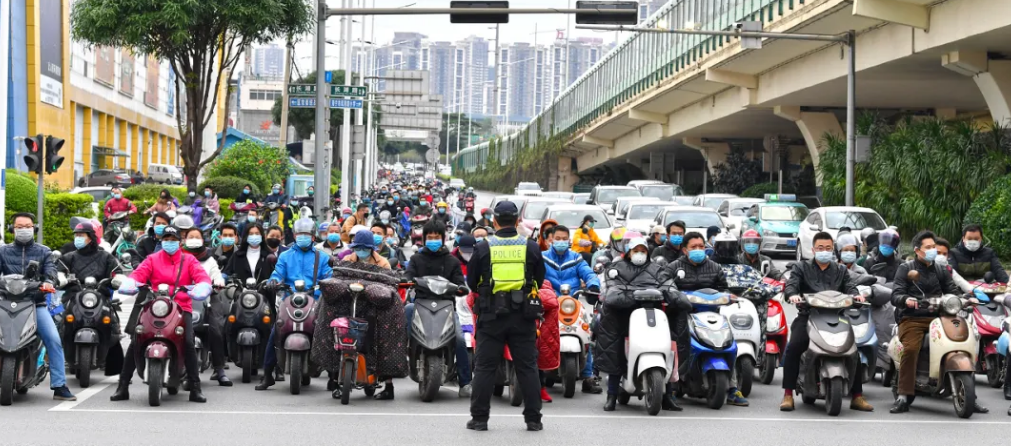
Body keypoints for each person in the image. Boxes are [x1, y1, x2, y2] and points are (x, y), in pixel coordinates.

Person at [466, 201, 546, 432]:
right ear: (518, 220)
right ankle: (534, 420)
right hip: (523, 315)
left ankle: (479, 419)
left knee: (485, 367)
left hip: (491, 315)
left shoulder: (483, 247)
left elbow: (472, 282)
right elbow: (539, 279)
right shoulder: (530, 246)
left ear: (494, 221)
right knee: (527, 367)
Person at [110, 226, 212, 403]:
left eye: (173, 239)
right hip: (155, 306)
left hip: (181, 307)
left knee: (188, 342)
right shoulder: (152, 259)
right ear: (161, 241)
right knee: (136, 339)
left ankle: (195, 388)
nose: (169, 242)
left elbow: (202, 277)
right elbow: (137, 275)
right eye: (166, 239)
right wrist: (130, 284)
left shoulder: (189, 260)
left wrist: (202, 287)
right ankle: (123, 386)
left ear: (179, 242)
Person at [889, 230, 986, 414]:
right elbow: (896, 294)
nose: (933, 250)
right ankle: (903, 395)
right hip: (913, 318)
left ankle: (971, 397)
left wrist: (965, 299)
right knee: (910, 349)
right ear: (917, 250)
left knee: (966, 341)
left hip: (940, 317)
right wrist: (906, 300)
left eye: (934, 247)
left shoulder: (941, 269)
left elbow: (952, 291)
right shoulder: (906, 268)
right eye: (929, 247)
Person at [779, 231, 872, 413]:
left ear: (833, 251)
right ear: (813, 249)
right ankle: (788, 394)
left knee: (853, 349)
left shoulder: (841, 270)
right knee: (794, 346)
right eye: (820, 248)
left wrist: (856, 296)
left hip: (837, 316)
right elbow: (792, 285)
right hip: (809, 316)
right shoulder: (801, 268)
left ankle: (857, 396)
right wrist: (793, 295)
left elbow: (851, 287)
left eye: (828, 248)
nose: (824, 251)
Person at [596, 236, 681, 412]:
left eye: (643, 251)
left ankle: (667, 395)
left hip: (652, 316)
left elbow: (668, 286)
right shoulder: (616, 268)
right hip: (623, 318)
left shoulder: (657, 269)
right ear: (629, 253)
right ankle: (611, 395)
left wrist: (676, 298)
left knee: (671, 346)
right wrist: (638, 296)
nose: (640, 254)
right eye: (636, 251)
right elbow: (612, 293)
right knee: (615, 349)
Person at [668, 232, 747, 406]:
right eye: (693, 247)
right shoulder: (674, 267)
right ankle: (671, 386)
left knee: (727, 343)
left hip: (711, 314)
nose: (698, 250)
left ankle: (732, 387)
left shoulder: (715, 267)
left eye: (701, 247)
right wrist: (677, 297)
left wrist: (730, 296)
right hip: (682, 315)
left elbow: (723, 289)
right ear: (684, 250)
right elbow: (666, 286)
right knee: (676, 344)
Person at [255, 218, 332, 391]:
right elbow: (277, 273)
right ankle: (267, 374)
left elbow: (329, 276)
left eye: (306, 234)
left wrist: (328, 283)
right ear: (295, 235)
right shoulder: (285, 256)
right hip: (289, 300)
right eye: (300, 234)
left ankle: (333, 375)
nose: (302, 237)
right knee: (276, 331)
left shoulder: (323, 257)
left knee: (326, 332)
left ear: (313, 237)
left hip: (315, 301)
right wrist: (272, 282)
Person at [404, 220, 472, 398]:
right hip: (421, 305)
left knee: (458, 338)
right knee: (407, 309)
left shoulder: (451, 261)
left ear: (443, 239)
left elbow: (460, 282)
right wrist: (407, 280)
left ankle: (465, 382)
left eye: (437, 237)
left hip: (446, 307)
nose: (433, 240)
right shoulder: (416, 259)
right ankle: (401, 355)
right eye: (430, 237)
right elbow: (408, 275)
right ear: (424, 238)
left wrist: (461, 287)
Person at [542, 225, 602, 394]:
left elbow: (588, 273)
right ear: (551, 239)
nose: (561, 241)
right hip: (549, 305)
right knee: (538, 335)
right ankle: (538, 371)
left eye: (564, 239)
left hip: (572, 304)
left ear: (569, 240)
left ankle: (588, 376)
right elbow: (534, 275)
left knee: (585, 333)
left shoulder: (576, 258)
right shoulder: (542, 258)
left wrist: (593, 285)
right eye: (558, 238)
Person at [57, 221, 120, 372]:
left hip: (99, 296)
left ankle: (114, 365)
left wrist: (118, 279)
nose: (78, 238)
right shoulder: (69, 257)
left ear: (91, 237)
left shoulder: (106, 257)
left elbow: (117, 272)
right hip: (73, 296)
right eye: (76, 235)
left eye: (81, 235)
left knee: (113, 323)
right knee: (61, 321)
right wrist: (61, 278)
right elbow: (59, 271)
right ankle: (60, 357)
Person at [181, 227, 232, 387]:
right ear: (184, 239)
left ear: (203, 240)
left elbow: (216, 274)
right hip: (183, 299)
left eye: (197, 237)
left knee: (215, 330)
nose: (194, 239)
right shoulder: (179, 257)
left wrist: (218, 281)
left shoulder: (209, 259)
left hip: (206, 299)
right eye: (191, 237)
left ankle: (219, 369)